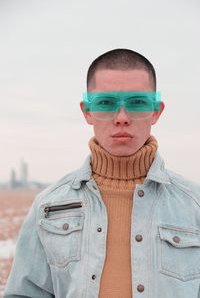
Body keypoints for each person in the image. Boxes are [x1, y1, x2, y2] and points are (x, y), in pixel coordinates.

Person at [4, 48, 200, 298]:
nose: (121, 117)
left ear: (156, 111)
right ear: (87, 111)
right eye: (106, 103)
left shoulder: (195, 205)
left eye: (137, 103)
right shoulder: (49, 205)